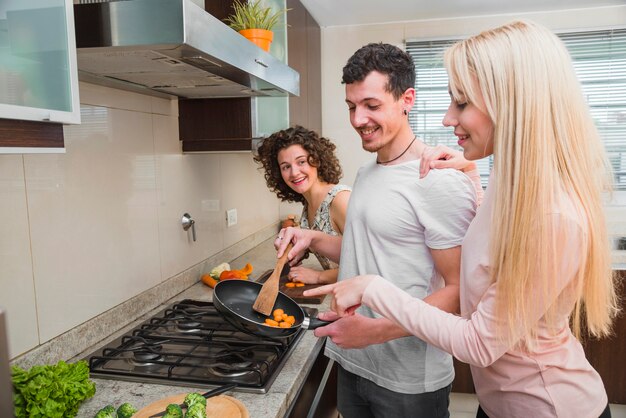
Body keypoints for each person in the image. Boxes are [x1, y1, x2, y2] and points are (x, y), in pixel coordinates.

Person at [304, 20, 619, 418]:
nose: (447, 118)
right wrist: (472, 178)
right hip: (499, 403)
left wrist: (372, 289)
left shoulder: (554, 215)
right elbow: (490, 253)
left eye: (462, 103)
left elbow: (478, 342)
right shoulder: (511, 188)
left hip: (549, 406)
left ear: (513, 104)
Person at [276, 43, 482, 417]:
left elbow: (458, 291)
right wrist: (313, 238)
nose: (357, 119)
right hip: (353, 362)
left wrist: (377, 330)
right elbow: (366, 249)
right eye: (351, 106)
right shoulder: (366, 173)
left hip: (407, 379)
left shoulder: (437, 178)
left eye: (371, 105)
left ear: (407, 99)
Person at [254, 125, 350, 284]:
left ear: (317, 160)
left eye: (301, 162)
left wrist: (319, 277)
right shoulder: (309, 204)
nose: (294, 173)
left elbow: (367, 264)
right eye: (286, 166)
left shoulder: (340, 200)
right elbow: (336, 247)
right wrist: (302, 249)